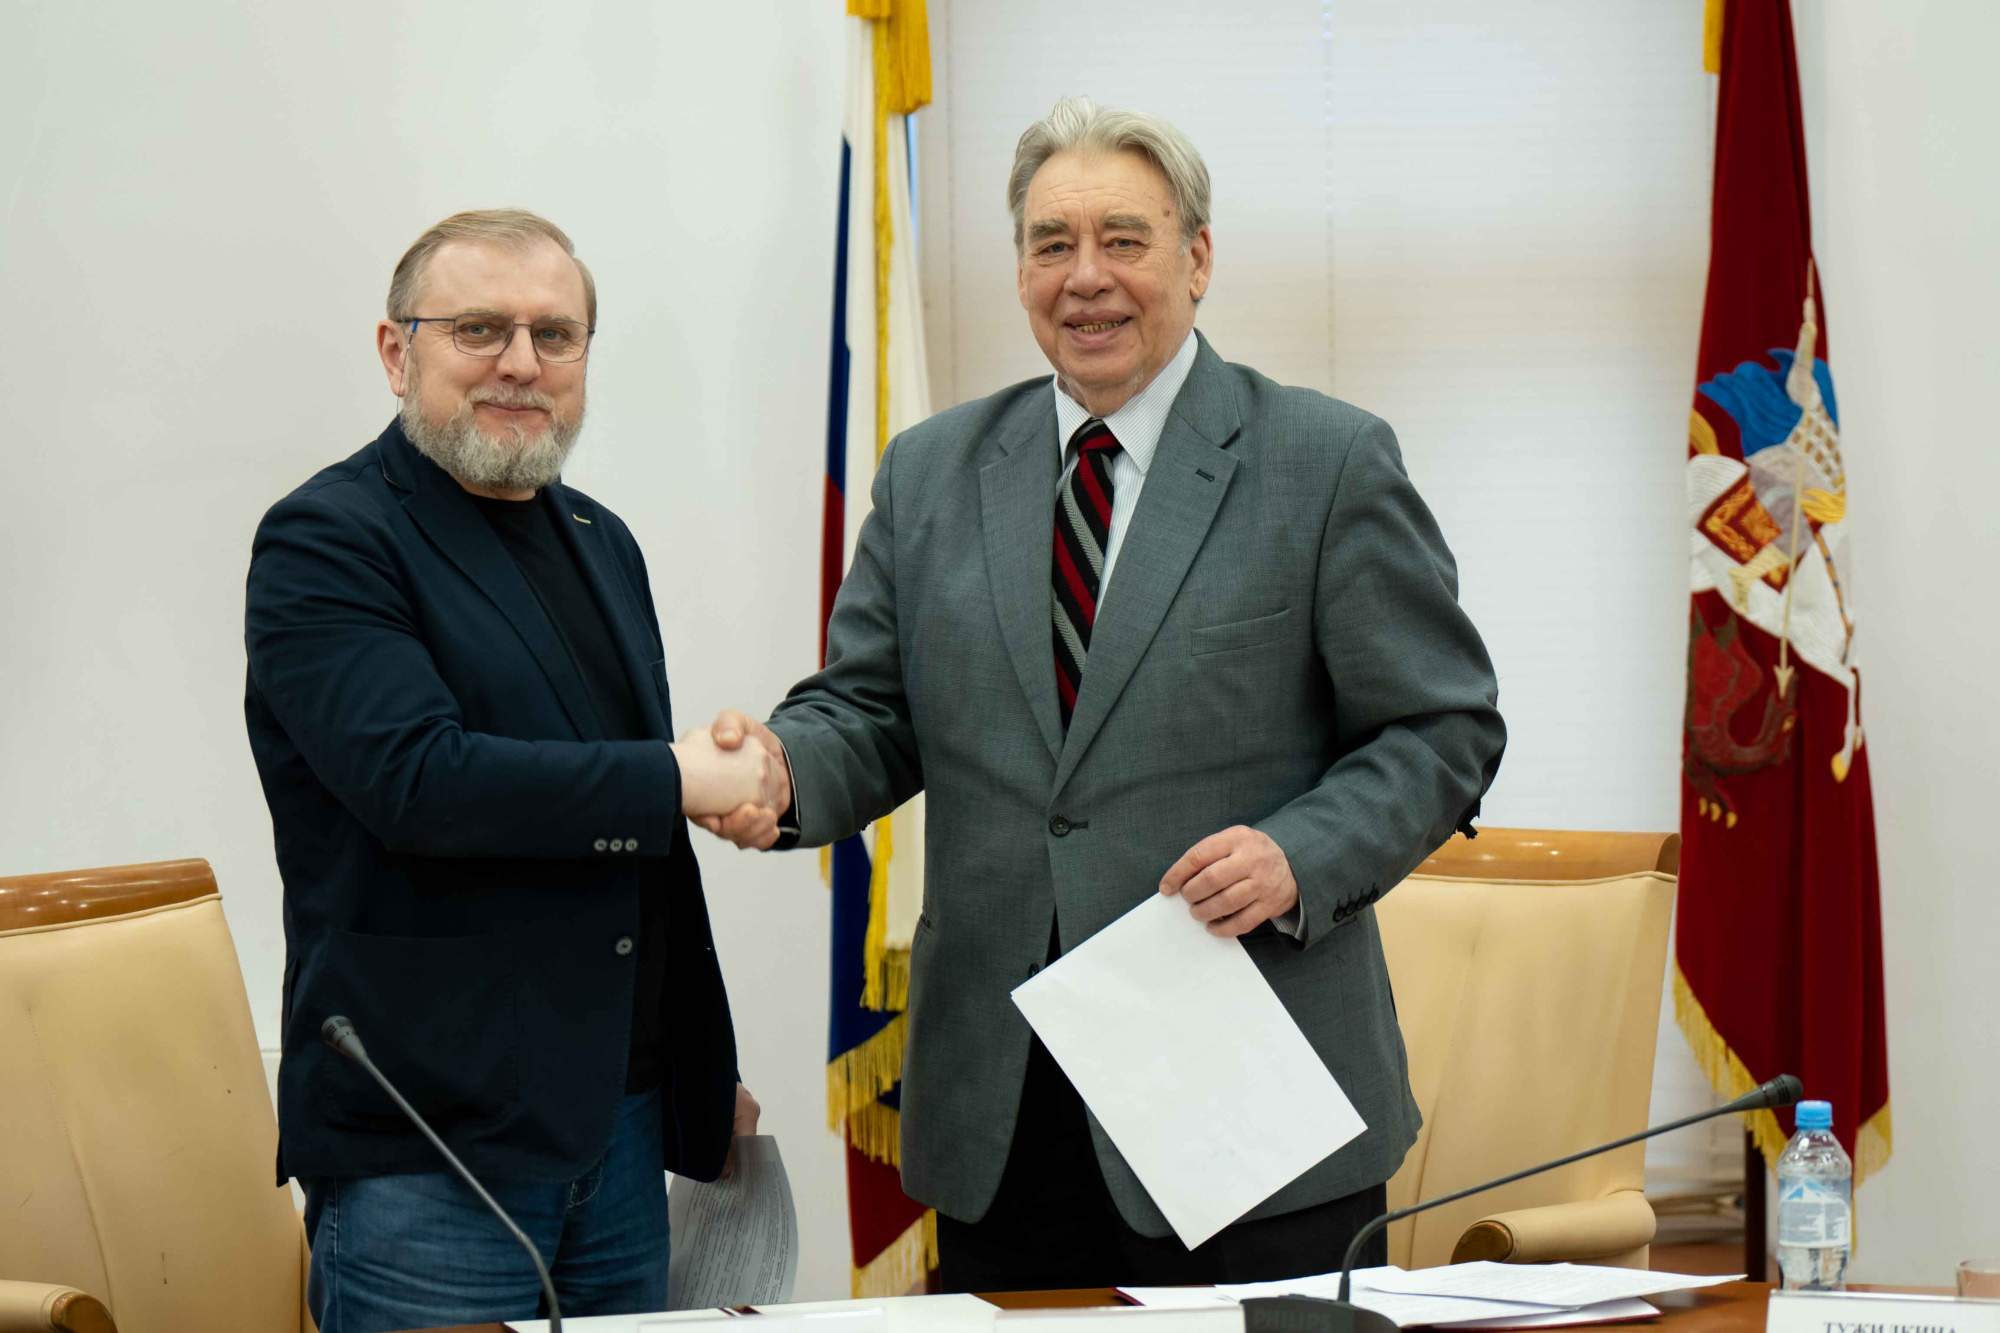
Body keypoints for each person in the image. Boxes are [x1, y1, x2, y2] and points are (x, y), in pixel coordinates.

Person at [701, 99, 1506, 1290]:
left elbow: (1441, 726)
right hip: (1002, 1102)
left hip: (1245, 1103)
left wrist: (1298, 854)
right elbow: (868, 711)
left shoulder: (1323, 461)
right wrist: (779, 772)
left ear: (1197, 257)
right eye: (1051, 243)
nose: (1085, 277)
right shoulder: (930, 470)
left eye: (1123, 239)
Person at [244, 208, 780, 1332]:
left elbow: (630, 847)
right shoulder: (328, 537)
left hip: (619, 1127)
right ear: (397, 351)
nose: (522, 363)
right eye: (480, 328)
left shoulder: (599, 535)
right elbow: (420, 782)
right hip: (434, 1145)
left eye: (556, 334)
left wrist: (693, 1063)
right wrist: (678, 778)